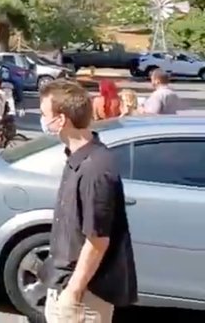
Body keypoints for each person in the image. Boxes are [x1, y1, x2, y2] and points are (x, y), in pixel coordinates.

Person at [39, 80, 137, 323]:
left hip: (84, 296)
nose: (42, 120)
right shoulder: (76, 158)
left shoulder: (95, 169)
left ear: (61, 120)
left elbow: (97, 240)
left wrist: (73, 293)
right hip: (63, 283)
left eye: (44, 114)